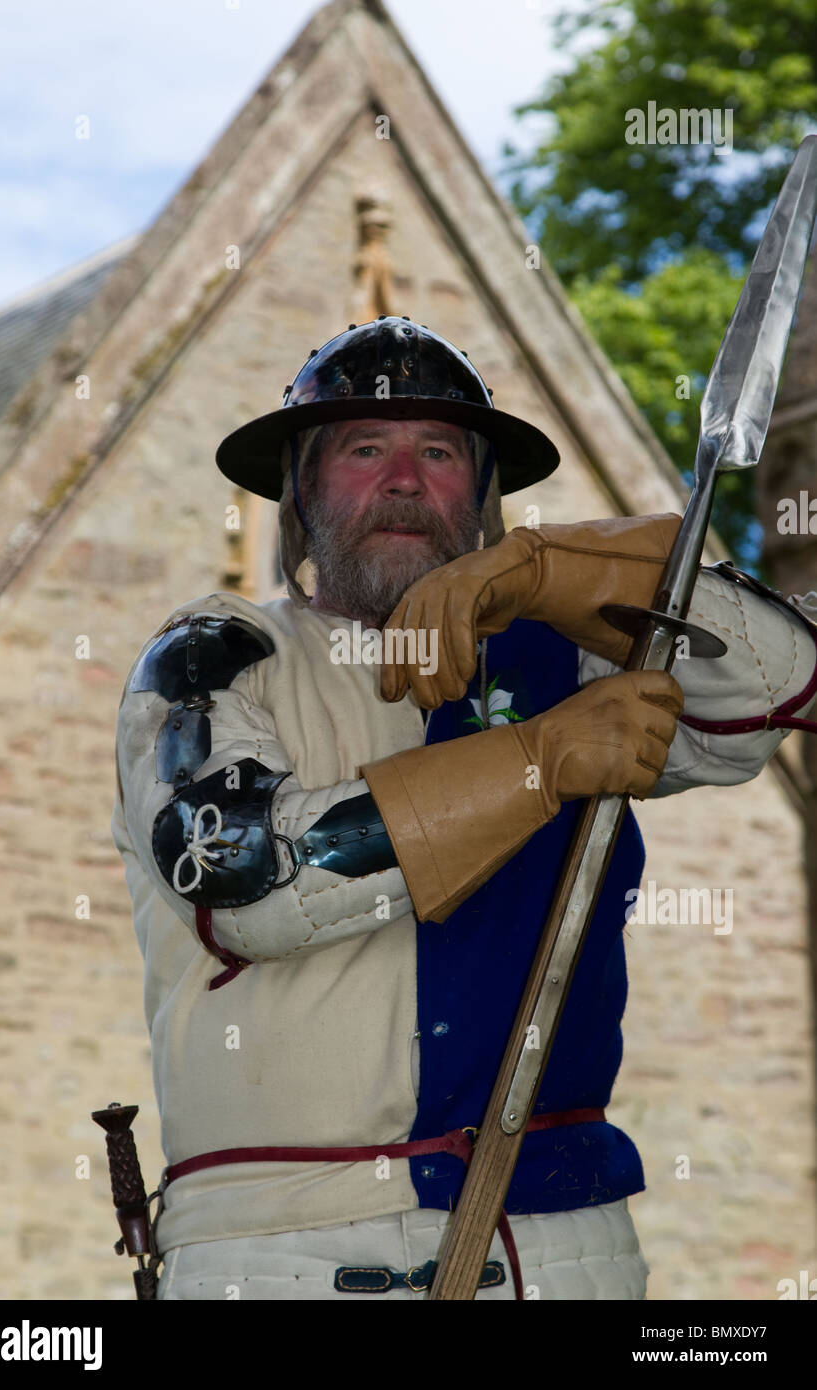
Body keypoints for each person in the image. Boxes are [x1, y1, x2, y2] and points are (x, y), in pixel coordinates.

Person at [111, 317, 817, 1300]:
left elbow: (784, 682)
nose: (403, 479)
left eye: (438, 452)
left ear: (481, 496)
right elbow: (241, 876)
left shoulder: (564, 653)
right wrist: (538, 761)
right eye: (364, 449)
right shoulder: (213, 654)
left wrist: (547, 570)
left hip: (560, 1251)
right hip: (274, 1255)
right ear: (300, 492)